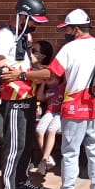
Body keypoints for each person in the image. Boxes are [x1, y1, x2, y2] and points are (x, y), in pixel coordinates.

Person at [26, 8, 95, 189]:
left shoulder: (69, 49)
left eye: (68, 28)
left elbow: (53, 76)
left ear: (74, 29)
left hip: (73, 108)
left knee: (70, 153)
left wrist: (25, 75)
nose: (67, 32)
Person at [0, 0, 50, 189]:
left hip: (29, 95)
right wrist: (25, 74)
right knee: (14, 144)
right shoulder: (4, 36)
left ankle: (21, 180)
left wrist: (28, 73)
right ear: (23, 17)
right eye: (34, 20)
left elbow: (27, 66)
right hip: (13, 98)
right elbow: (1, 69)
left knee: (26, 143)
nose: (35, 25)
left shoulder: (24, 38)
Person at [34, 40, 62, 177]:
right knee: (39, 130)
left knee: (51, 130)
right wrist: (44, 83)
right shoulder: (49, 88)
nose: (50, 80)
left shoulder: (61, 87)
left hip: (60, 114)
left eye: (52, 78)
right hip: (50, 112)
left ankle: (44, 159)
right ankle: (48, 157)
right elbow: (40, 98)